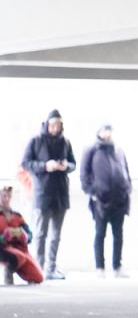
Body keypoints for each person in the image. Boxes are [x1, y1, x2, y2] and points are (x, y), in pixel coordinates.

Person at [21, 109, 76, 280]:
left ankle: (51, 268)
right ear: (47, 124)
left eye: (58, 124)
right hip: (43, 193)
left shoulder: (65, 142)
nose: (55, 127)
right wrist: (45, 166)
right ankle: (38, 267)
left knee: (56, 235)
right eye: (53, 124)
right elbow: (25, 163)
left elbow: (73, 164)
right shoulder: (36, 140)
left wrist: (65, 166)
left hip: (61, 194)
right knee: (40, 234)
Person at [80, 124, 132, 278]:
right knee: (100, 234)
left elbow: (126, 171)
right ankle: (100, 267)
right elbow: (84, 174)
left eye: (110, 130)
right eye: (105, 130)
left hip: (119, 199)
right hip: (100, 200)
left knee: (118, 235)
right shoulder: (91, 150)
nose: (108, 134)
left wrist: (127, 189)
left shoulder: (118, 150)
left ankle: (117, 266)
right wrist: (92, 193)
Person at [1, 186, 44, 285]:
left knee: (38, 277)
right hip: (3, 248)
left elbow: (29, 234)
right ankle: (8, 273)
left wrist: (24, 236)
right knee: (18, 256)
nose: (6, 199)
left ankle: (18, 266)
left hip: (21, 249)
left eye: (8, 196)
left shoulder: (17, 216)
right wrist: (4, 238)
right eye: (3, 196)